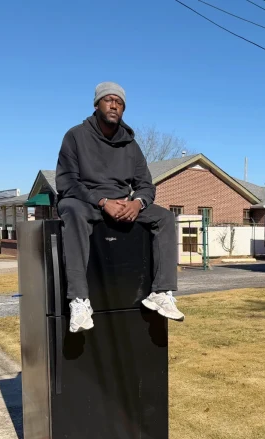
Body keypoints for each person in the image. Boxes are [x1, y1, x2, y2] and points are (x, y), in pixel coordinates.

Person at [56, 82, 184, 333]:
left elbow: (146, 185)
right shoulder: (75, 136)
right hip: (86, 202)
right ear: (96, 104)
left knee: (166, 218)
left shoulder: (131, 145)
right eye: (108, 100)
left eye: (120, 102)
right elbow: (67, 182)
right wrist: (102, 202)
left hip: (123, 204)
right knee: (71, 209)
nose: (114, 105)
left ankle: (160, 292)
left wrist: (138, 203)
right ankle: (79, 301)